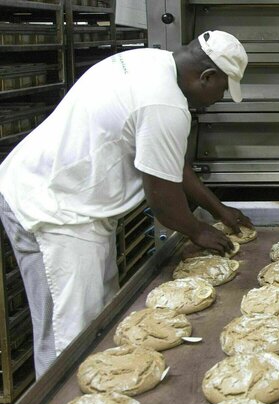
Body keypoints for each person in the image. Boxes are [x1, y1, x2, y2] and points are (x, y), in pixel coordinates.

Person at [0, 30, 253, 377]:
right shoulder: (164, 103)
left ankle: (104, 398)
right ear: (206, 76)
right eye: (221, 90)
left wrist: (217, 208)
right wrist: (198, 231)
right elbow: (162, 201)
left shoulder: (149, 62)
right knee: (71, 337)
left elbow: (172, 161)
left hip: (64, 200)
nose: (218, 99)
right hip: (57, 212)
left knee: (100, 319)